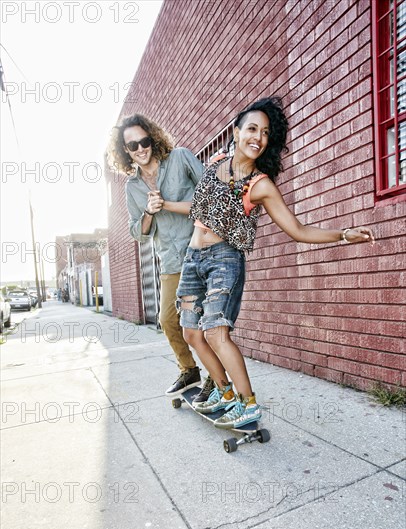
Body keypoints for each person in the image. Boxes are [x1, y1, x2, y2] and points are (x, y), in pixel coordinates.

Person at [176, 97, 375, 430]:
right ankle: (224, 393)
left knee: (215, 333)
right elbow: (200, 207)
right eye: (252, 128)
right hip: (192, 257)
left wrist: (343, 234)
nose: (258, 137)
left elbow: (297, 230)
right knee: (191, 334)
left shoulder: (261, 185)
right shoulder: (216, 161)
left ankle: (248, 403)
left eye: (266, 133)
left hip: (224, 260)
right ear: (236, 132)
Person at [108, 114, 215, 399]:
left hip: (203, 251)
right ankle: (189, 369)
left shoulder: (180, 158)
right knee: (168, 319)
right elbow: (137, 232)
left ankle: (217, 379)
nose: (140, 149)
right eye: (132, 146)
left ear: (153, 139)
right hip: (169, 260)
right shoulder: (132, 187)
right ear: (125, 151)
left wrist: (166, 204)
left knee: (203, 322)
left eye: (144, 141)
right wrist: (149, 212)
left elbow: (210, 199)